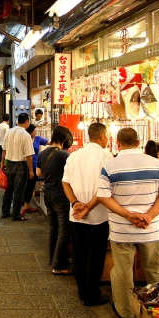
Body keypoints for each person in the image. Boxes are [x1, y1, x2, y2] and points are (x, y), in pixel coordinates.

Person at [97, 128, 159, 318]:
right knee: (155, 270)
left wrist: (128, 215)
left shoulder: (110, 166)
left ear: (117, 143)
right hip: (151, 230)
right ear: (138, 142)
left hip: (121, 230)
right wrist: (149, 215)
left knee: (123, 272)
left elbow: (103, 197)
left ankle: (125, 311)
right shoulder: (157, 164)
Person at [62, 123, 113, 306]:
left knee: (79, 253)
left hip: (76, 215)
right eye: (107, 136)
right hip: (98, 216)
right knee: (96, 255)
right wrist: (88, 207)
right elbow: (104, 188)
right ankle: (92, 294)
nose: (107, 139)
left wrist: (75, 204)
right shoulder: (106, 157)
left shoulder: (74, 156)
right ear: (102, 136)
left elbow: (65, 183)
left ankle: (82, 290)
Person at [36, 125, 73, 276]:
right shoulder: (63, 155)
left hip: (48, 193)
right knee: (64, 231)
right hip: (61, 194)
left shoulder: (43, 153)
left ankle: (53, 259)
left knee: (53, 228)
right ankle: (58, 265)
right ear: (64, 140)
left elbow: (39, 173)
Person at [0, 113, 35, 220]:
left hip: (9, 163)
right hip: (20, 165)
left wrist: (2, 162)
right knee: (19, 190)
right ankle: (16, 214)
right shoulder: (26, 135)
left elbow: (4, 149)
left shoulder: (9, 132)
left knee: (9, 189)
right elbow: (28, 155)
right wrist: (31, 170)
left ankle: (5, 212)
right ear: (26, 122)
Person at [23, 124, 49, 214]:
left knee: (31, 185)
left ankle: (26, 205)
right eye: (34, 131)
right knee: (25, 185)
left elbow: (49, 142)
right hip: (25, 165)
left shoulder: (37, 139)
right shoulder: (25, 139)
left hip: (35, 165)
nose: (35, 133)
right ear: (29, 132)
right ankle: (24, 205)